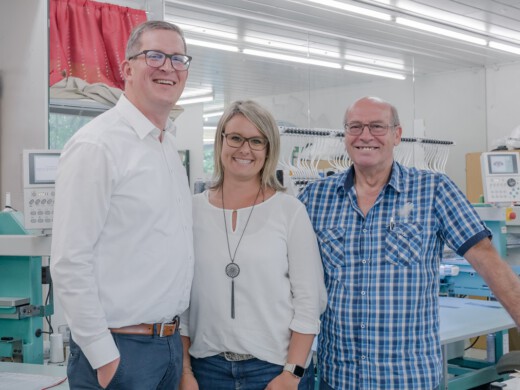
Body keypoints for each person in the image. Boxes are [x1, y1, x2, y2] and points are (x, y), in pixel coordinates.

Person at [298, 96, 520, 389]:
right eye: (355, 127)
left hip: (407, 378)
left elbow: (487, 260)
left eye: (377, 126)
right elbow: (289, 278)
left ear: (396, 134)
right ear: (345, 135)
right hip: (338, 378)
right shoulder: (315, 198)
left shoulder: (434, 190)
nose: (365, 136)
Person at [50, 20, 194, 389]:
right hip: (119, 350)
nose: (168, 67)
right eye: (155, 56)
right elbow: (69, 261)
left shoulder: (166, 148)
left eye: (178, 58)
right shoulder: (98, 146)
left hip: (166, 346)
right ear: (127, 68)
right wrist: (104, 356)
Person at [179, 100, 327, 390]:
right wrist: (185, 371)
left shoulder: (289, 211)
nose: (244, 149)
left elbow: (309, 302)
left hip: (274, 370)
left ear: (269, 149)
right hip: (207, 369)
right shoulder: (190, 210)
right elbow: (181, 301)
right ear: (221, 140)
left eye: (256, 141)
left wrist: (292, 374)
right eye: (235, 138)